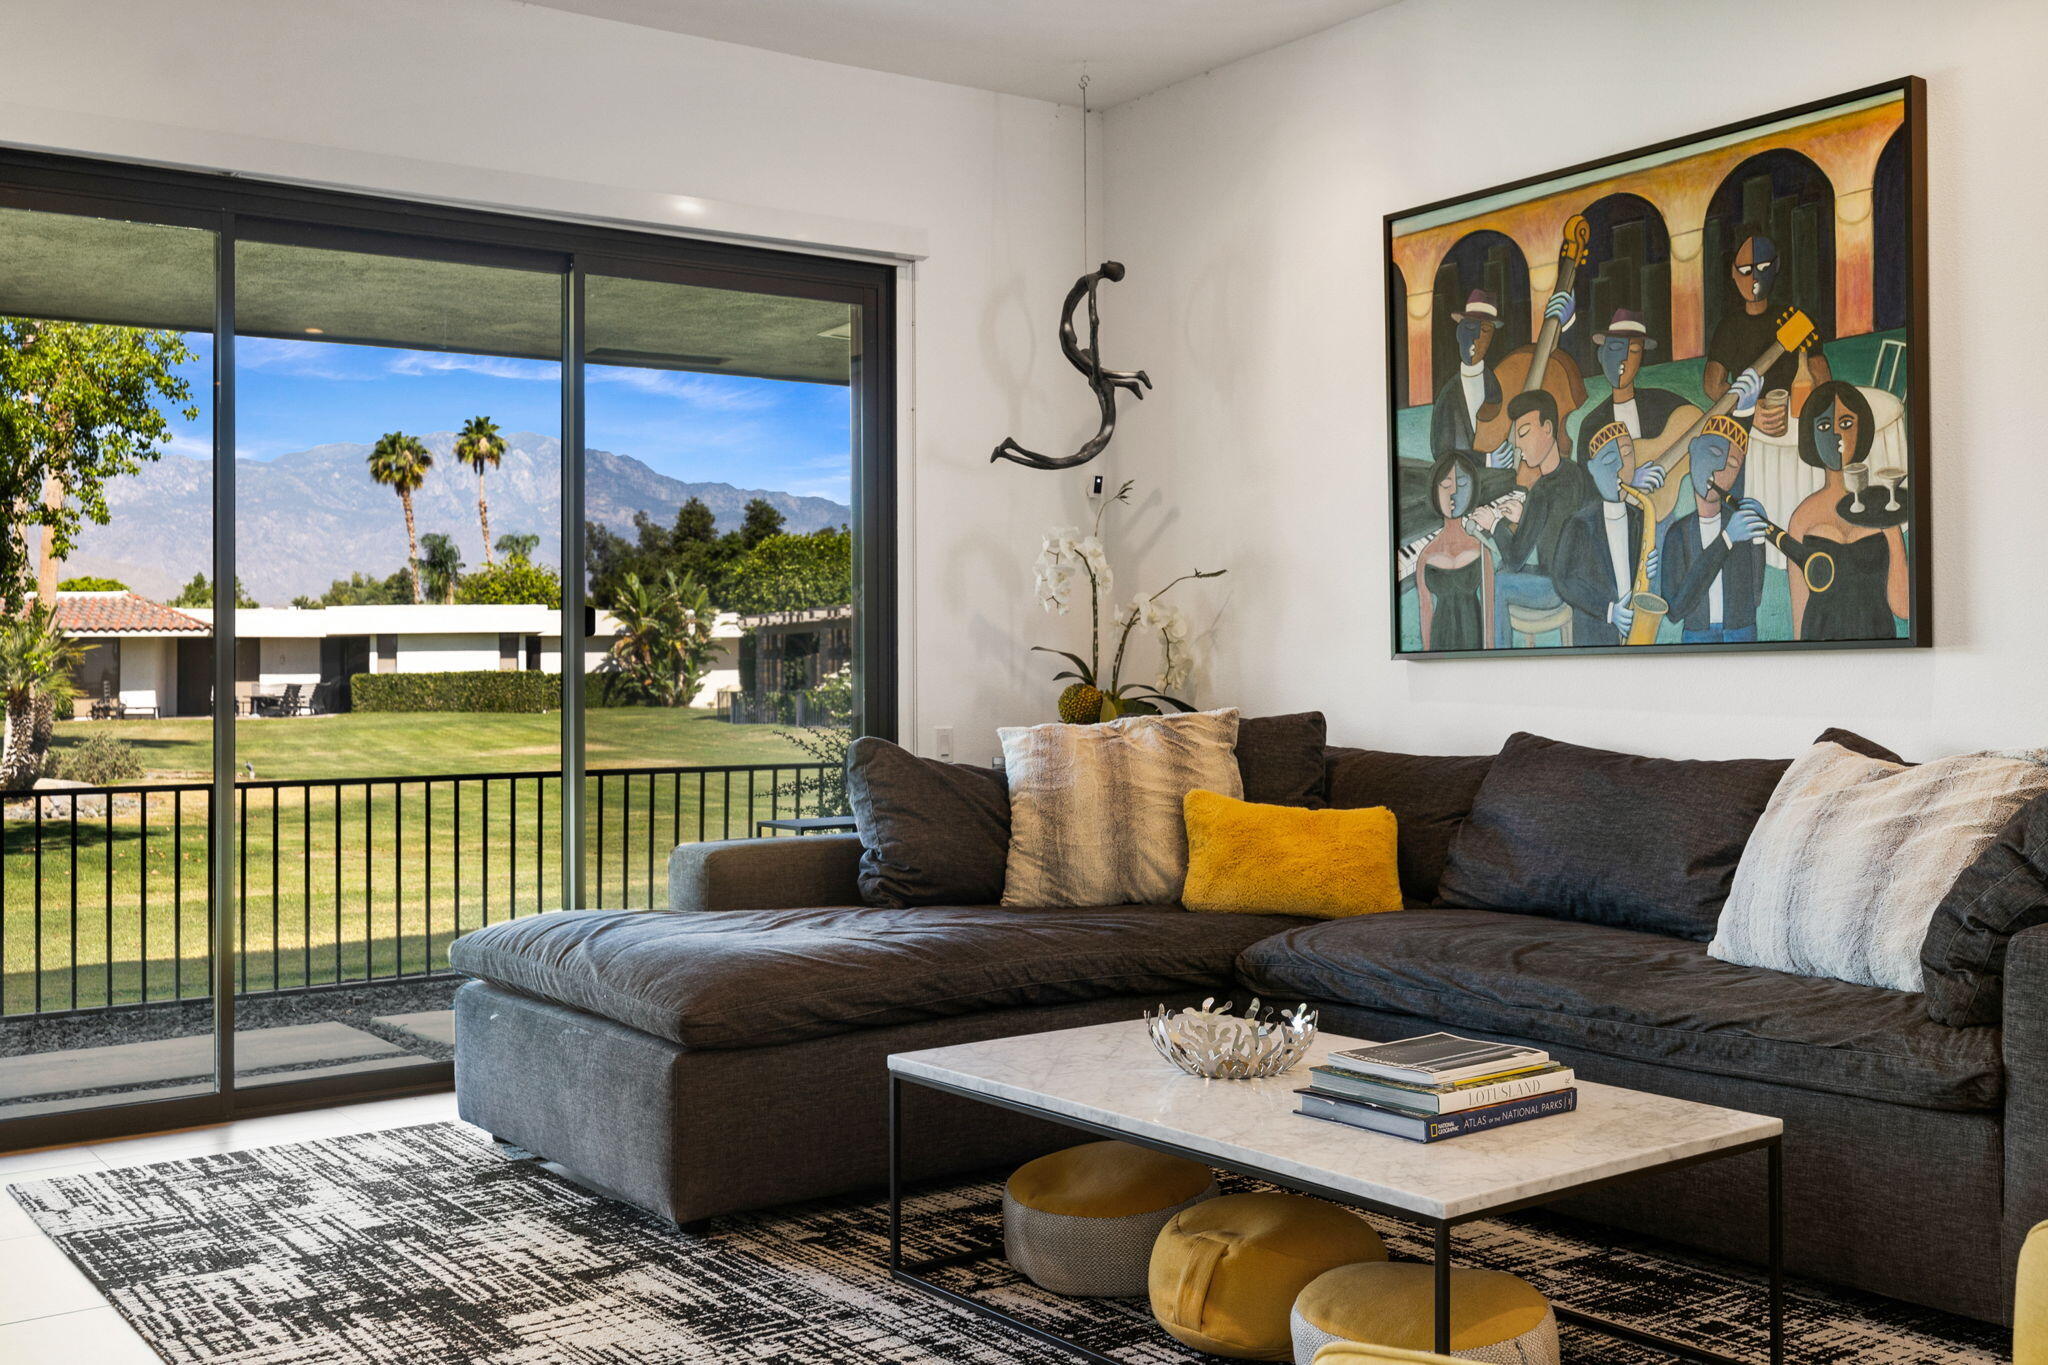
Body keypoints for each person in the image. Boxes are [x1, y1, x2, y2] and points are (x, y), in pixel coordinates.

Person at [1470, 390, 1595, 647]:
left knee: (1499, 580)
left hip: (1560, 588)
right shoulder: (1572, 474)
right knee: (1502, 572)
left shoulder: (1546, 489)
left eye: (1524, 433)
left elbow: (1516, 559)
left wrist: (1494, 524)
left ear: (1548, 429)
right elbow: (1554, 529)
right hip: (1571, 580)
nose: (1517, 444)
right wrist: (1524, 515)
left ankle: (1497, 652)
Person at [1786, 380, 1908, 640]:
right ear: (1811, 435)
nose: (1836, 436)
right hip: (1819, 642)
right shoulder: (1801, 519)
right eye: (1824, 426)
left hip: (1877, 642)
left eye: (1846, 424)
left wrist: (1889, 526)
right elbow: (1799, 614)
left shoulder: (1883, 506)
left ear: (1862, 428)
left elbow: (1904, 607)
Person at [1552, 420, 1667, 645]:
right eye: (1609, 460)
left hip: (1635, 628)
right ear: (1593, 470)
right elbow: (1563, 580)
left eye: (1627, 456)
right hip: (1594, 633)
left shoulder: (1640, 517)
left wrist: (1650, 569)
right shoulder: (1579, 523)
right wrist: (1608, 611)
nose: (1620, 469)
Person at [1658, 416, 1770, 643]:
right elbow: (1674, 610)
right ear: (1693, 451)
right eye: (1714, 453)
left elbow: (1754, 596)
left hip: (1742, 631)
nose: (1719, 469)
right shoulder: (1677, 534)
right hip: (1697, 635)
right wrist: (1726, 540)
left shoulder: (1739, 523)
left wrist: (1758, 541)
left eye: (1731, 464)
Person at [1702, 228, 1831, 405]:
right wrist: (1749, 411)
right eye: (1746, 270)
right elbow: (1712, 385)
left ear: (1776, 266)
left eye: (1763, 268)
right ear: (1733, 272)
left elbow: (1822, 378)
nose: (1755, 279)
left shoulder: (1794, 318)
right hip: (1751, 420)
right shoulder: (1729, 327)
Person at [1575, 308, 1691, 457]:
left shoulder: (1665, 405)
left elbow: (1697, 424)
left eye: (1634, 350)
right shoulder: (1591, 426)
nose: (1624, 358)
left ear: (1641, 359)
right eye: (1616, 348)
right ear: (1600, 356)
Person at [1415, 451, 1493, 652]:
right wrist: (1427, 654)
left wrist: (1491, 650)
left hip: (1474, 635)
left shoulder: (1481, 548)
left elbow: (1490, 607)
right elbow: (1426, 609)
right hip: (1440, 639)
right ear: (1435, 490)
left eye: (1463, 484)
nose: (1453, 492)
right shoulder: (1425, 556)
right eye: (1445, 485)